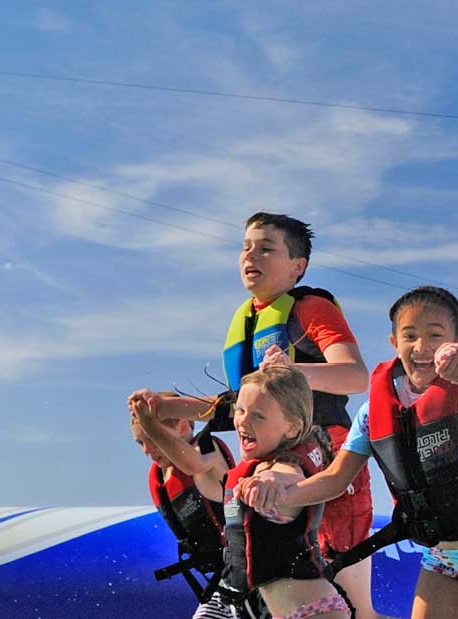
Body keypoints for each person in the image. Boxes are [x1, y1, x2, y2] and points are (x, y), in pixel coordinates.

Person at [242, 287, 458, 619]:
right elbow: (333, 479)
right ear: (393, 343)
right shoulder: (374, 412)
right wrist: (281, 493)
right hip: (442, 558)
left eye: (435, 335)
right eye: (410, 336)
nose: (422, 347)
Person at [141, 212, 377, 617]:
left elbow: (356, 376)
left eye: (267, 248)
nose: (252, 255)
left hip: (325, 455)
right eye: (246, 246)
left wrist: (289, 370)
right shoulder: (245, 321)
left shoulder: (310, 308)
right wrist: (162, 408)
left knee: (355, 607)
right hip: (266, 462)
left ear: (297, 267)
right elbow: (238, 404)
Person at [136, 366, 350, 619]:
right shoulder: (253, 463)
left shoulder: (283, 466)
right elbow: (214, 409)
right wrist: (157, 408)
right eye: (240, 411)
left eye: (258, 416)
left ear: (291, 428)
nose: (243, 421)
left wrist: (270, 482)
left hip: (311, 612)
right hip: (243, 597)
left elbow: (286, 476)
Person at [133, 415, 247, 618]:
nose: (146, 449)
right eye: (141, 442)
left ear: (184, 426)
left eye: (153, 437)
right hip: (226, 579)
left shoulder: (206, 447)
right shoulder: (161, 475)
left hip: (254, 570)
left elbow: (194, 464)